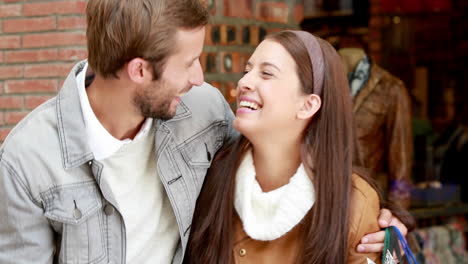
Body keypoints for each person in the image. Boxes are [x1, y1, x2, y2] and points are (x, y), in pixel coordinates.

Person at [0, 0, 408, 263]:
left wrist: (382, 231)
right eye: (190, 61)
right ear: (140, 70)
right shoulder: (28, 160)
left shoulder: (204, 112)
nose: (202, 78)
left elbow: (280, 160)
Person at [185, 30, 411, 264]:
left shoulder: (353, 202)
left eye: (267, 73)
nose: (244, 82)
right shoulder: (211, 175)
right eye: (247, 70)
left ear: (307, 105)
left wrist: (392, 249)